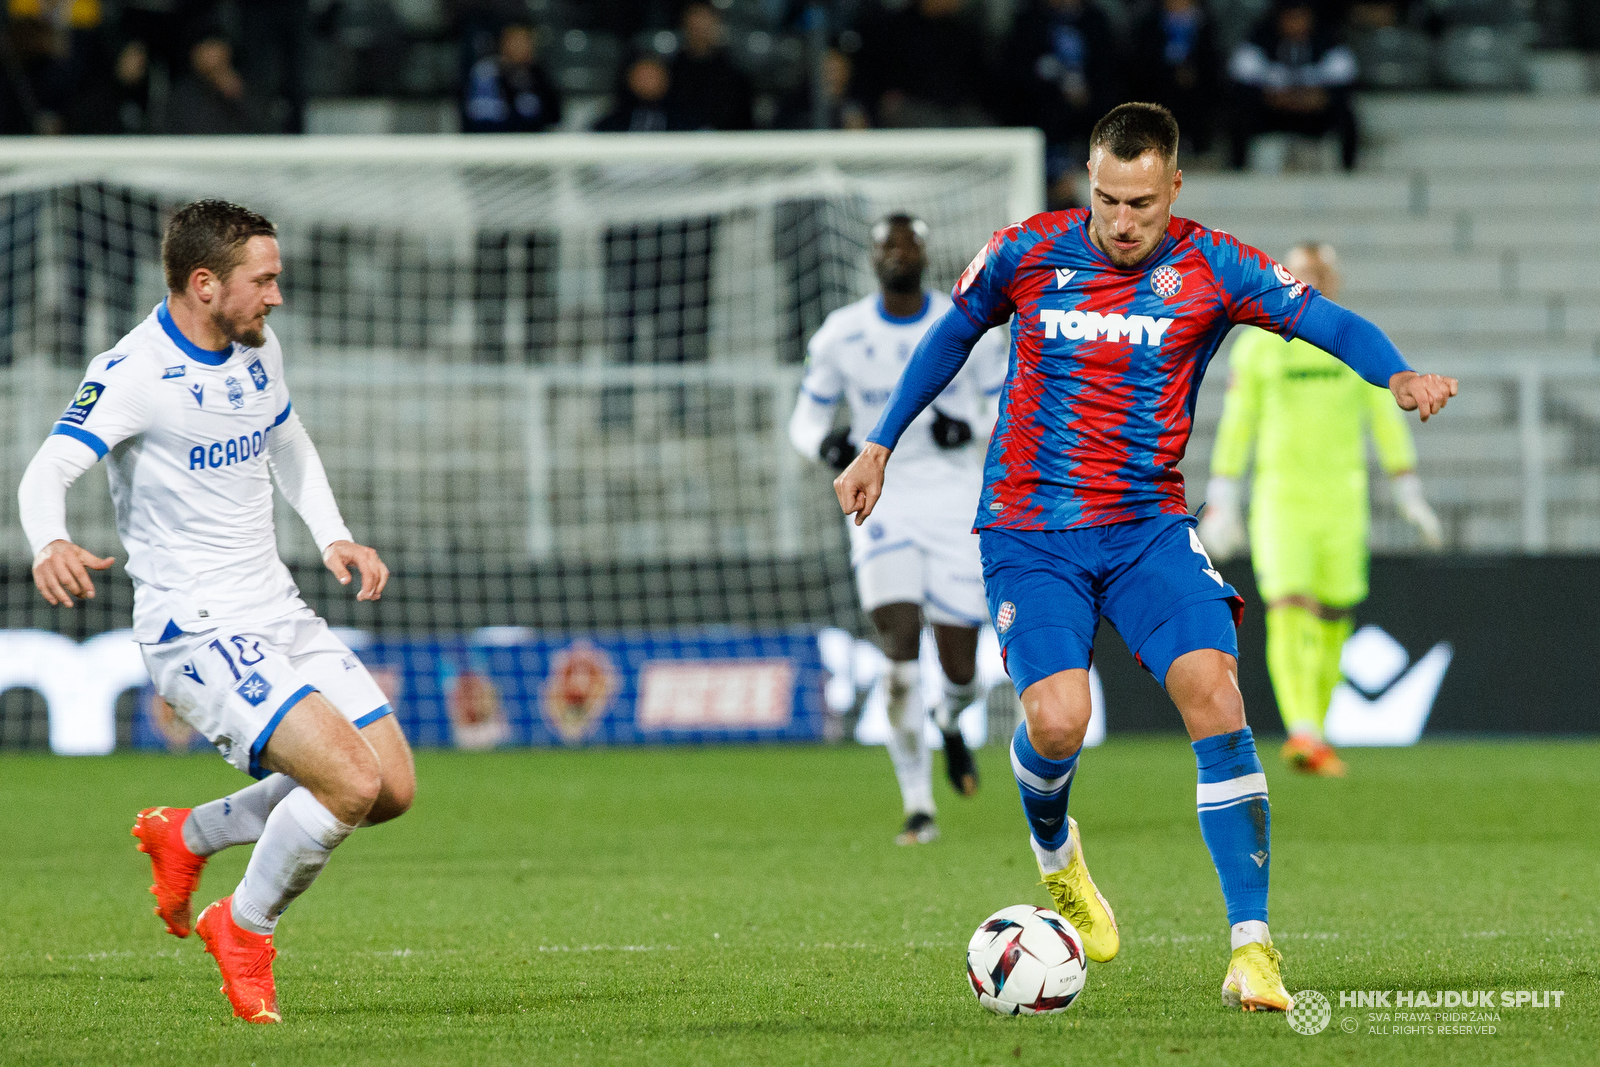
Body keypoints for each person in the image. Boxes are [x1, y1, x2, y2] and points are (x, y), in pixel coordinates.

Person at [833, 103, 1456, 1010]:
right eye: (1105, 199)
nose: (1121, 222)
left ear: (1174, 187)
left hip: (1146, 528)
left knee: (1214, 690)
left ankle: (1253, 947)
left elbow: (1327, 321)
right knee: (1056, 722)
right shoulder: (1027, 252)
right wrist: (881, 443)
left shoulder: (1214, 263)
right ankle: (1058, 855)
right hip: (1030, 529)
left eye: (1140, 203)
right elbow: (949, 336)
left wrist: (1394, 372)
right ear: (1089, 182)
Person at [17, 200, 413, 1024]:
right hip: (196, 628)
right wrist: (49, 540)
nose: (276, 296)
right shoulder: (133, 371)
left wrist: (334, 535)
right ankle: (243, 924)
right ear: (204, 284)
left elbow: (288, 439)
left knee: (392, 789)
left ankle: (188, 834)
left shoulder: (256, 350)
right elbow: (46, 470)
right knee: (347, 781)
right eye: (262, 280)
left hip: (278, 606)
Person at [789, 213, 1007, 845]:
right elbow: (804, 421)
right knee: (899, 651)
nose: (899, 252)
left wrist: (969, 429)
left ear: (925, 253)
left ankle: (949, 720)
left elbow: (1008, 406)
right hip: (880, 503)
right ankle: (918, 806)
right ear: (872, 256)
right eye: (889, 244)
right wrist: (828, 448)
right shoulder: (841, 334)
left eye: (910, 241)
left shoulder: (970, 324)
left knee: (961, 669)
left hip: (954, 499)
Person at [1199, 242, 1442, 777]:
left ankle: (1318, 729)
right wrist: (1222, 494)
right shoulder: (1261, 346)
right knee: (1288, 608)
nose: (1313, 281)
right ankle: (1304, 729)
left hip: (1343, 501)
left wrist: (1407, 488)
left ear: (1336, 279)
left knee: (1333, 615)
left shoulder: (1354, 342)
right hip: (1282, 499)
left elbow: (1386, 416)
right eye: (1303, 272)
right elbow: (1238, 422)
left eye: (1322, 272)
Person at [1227, 0, 1359, 171]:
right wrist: (1269, 97)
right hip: (1272, 114)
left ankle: (1348, 171)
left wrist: (1322, 98)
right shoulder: (1260, 39)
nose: (1295, 24)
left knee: (1346, 116)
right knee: (1240, 114)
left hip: (1314, 116)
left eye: (1300, 18)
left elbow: (1345, 80)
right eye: (1290, 18)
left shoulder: (1329, 42)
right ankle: (1238, 170)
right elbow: (1240, 80)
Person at [461, 22, 563, 133]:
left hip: (532, 143)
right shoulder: (486, 72)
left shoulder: (538, 74)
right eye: (516, 41)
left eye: (526, 41)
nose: (521, 46)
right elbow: (481, 117)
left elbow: (553, 117)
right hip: (495, 142)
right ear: (503, 43)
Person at [668, 1, 753, 131]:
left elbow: (742, 123)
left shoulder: (733, 75)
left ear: (716, 22)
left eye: (705, 17)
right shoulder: (669, 72)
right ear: (684, 22)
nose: (699, 25)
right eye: (695, 17)